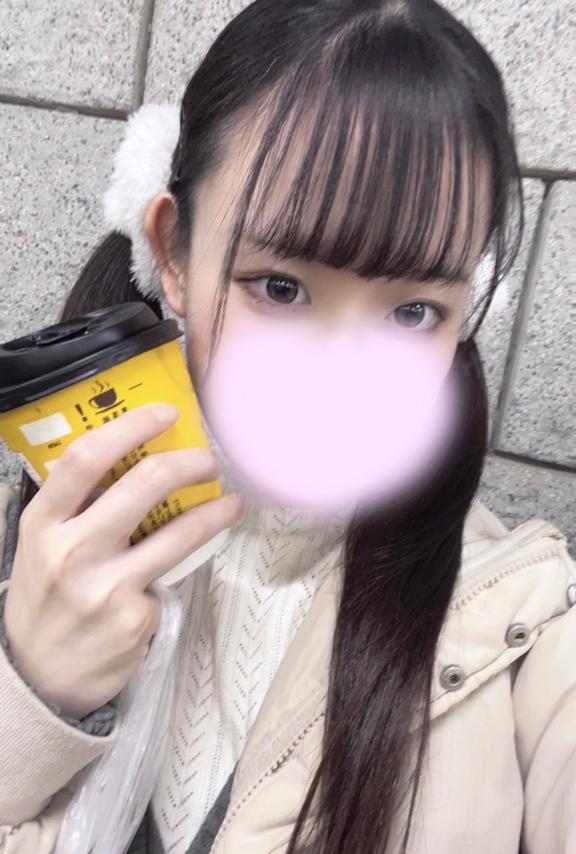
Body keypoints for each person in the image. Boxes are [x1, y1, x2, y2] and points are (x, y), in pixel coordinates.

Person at [0, 1, 575, 852]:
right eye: (281, 288)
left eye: (414, 311)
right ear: (173, 250)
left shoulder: (527, 622)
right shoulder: (31, 549)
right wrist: (29, 700)